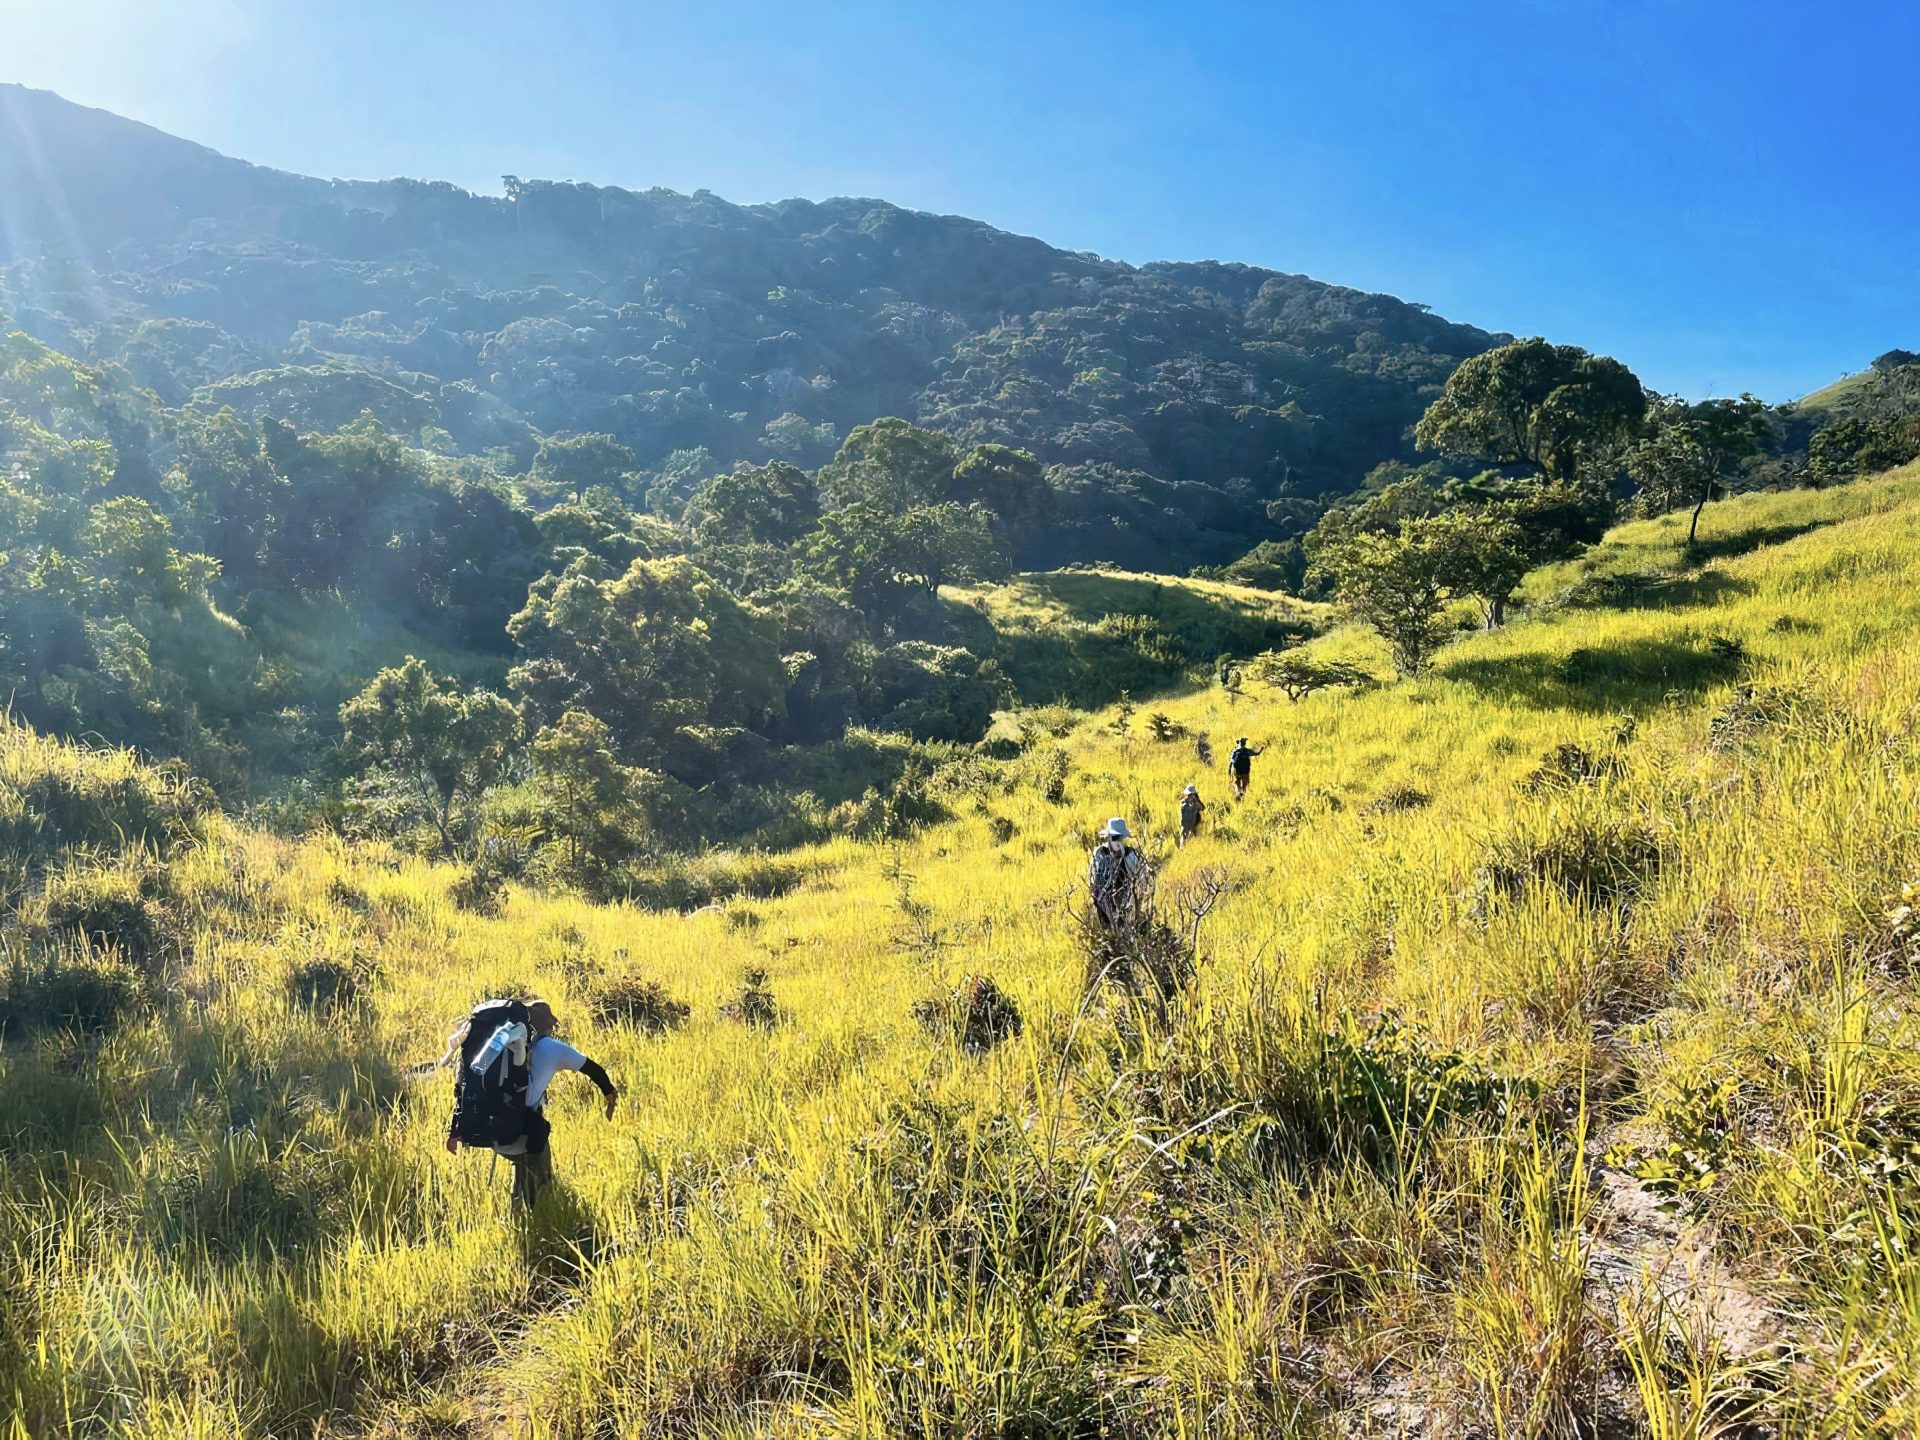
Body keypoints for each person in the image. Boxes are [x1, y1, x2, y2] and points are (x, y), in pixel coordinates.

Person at [446, 998, 617, 1206]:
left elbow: (464, 1081)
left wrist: (455, 1130)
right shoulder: (552, 1048)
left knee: (523, 1171)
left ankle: (520, 1209)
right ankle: (541, 1215)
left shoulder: (509, 1044)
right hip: (518, 1129)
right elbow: (593, 1069)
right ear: (548, 1024)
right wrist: (609, 1093)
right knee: (540, 1186)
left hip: (493, 1124)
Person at [1088, 816, 1146, 928]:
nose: (1118, 841)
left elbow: (1142, 881)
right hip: (1101, 906)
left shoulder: (1131, 856)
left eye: (1120, 838)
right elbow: (1092, 877)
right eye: (1115, 837)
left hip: (1123, 908)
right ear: (1109, 837)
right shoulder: (1099, 853)